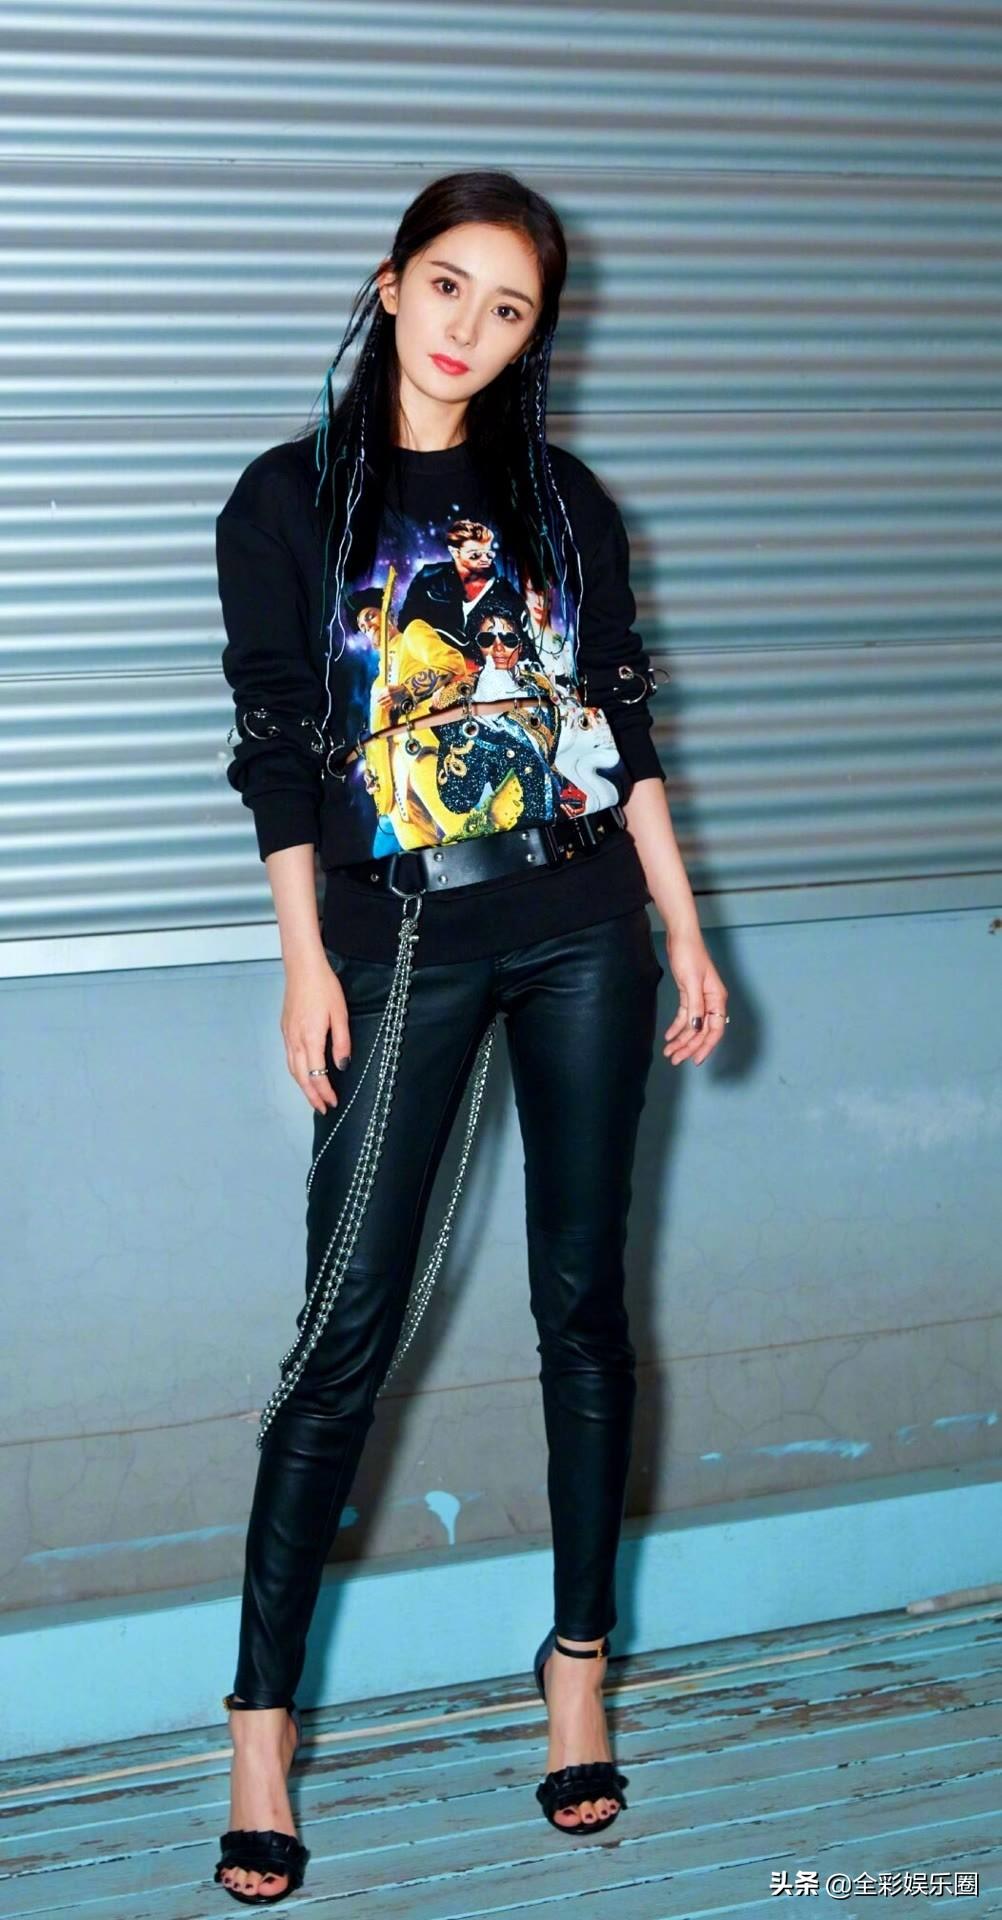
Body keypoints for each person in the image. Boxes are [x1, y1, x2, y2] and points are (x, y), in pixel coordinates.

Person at [212, 168, 729, 1904]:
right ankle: (261, 1732)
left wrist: (679, 925)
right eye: (446, 287)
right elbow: (277, 743)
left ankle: (576, 1673)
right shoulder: (288, 499)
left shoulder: (564, 505)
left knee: (583, 1310)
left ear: (532, 338)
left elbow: (618, 722)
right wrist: (305, 961)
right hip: (399, 937)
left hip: (581, 925)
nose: (467, 329)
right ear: (387, 286)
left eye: (507, 310)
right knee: (342, 1336)